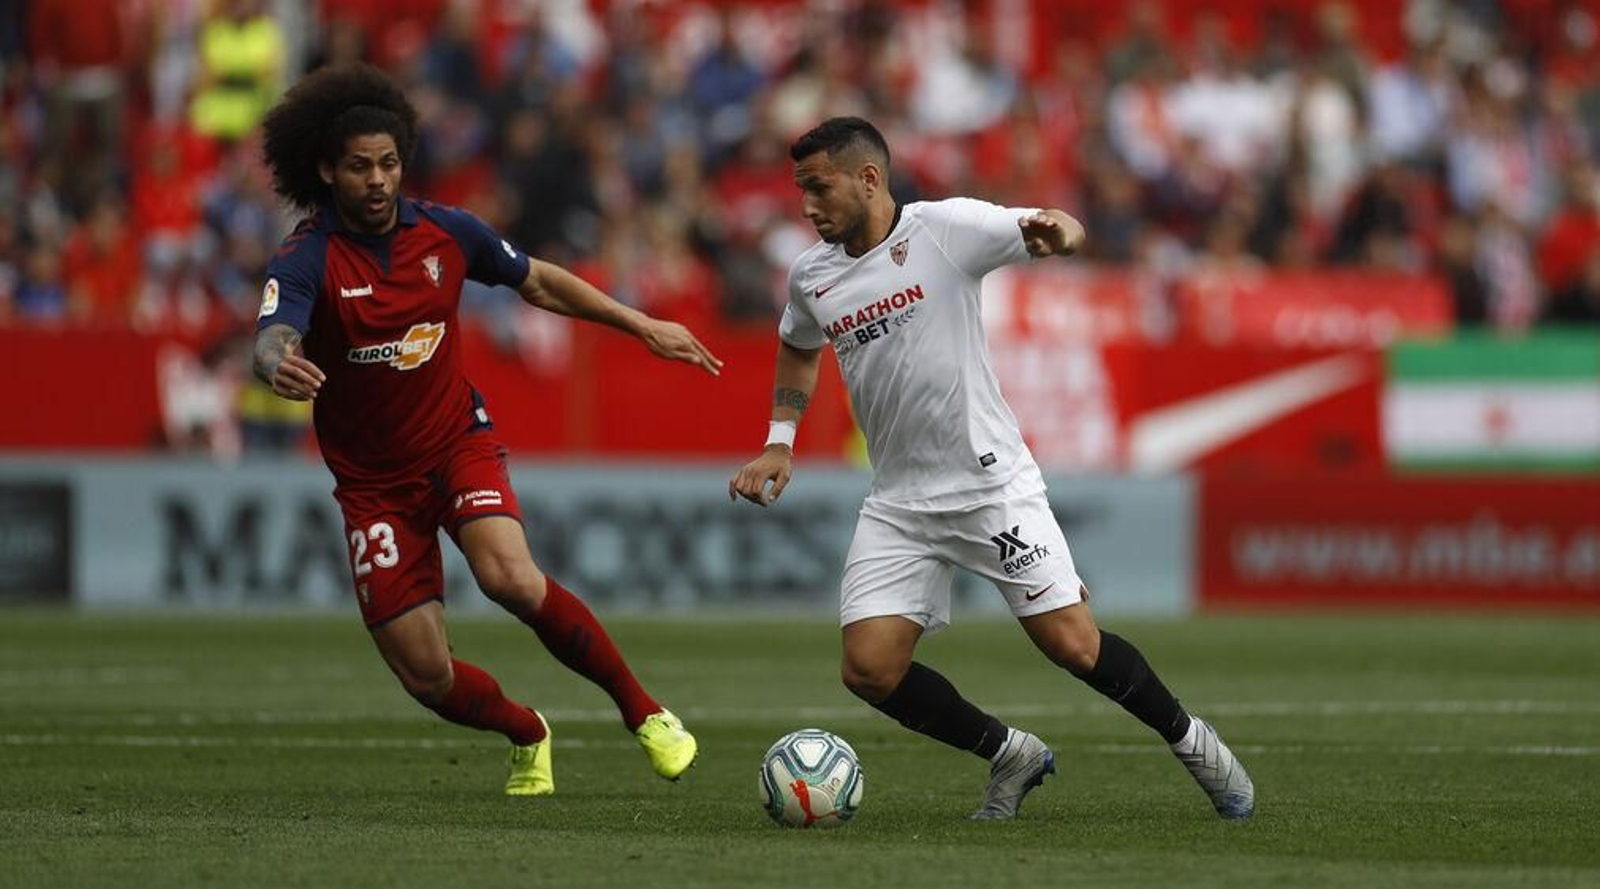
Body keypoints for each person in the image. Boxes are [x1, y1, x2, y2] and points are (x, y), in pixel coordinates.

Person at [729, 117, 1253, 821]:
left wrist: (1061, 235)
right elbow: (797, 345)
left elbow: (1050, 224)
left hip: (990, 484)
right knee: (869, 670)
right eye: (802, 192)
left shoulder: (945, 231)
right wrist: (779, 439)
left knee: (1073, 645)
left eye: (818, 188)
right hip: (900, 503)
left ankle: (1194, 744)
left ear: (869, 179)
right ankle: (1011, 754)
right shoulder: (811, 275)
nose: (807, 206)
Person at [254, 64, 719, 796]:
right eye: (359, 167)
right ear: (326, 170)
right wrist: (277, 361)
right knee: (425, 675)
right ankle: (527, 730)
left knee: (509, 577)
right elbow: (273, 333)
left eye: (388, 164)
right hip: (373, 487)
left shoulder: (446, 232)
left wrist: (638, 323)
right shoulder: (308, 256)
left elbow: (535, 279)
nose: (377, 181)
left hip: (453, 444)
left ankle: (647, 713)